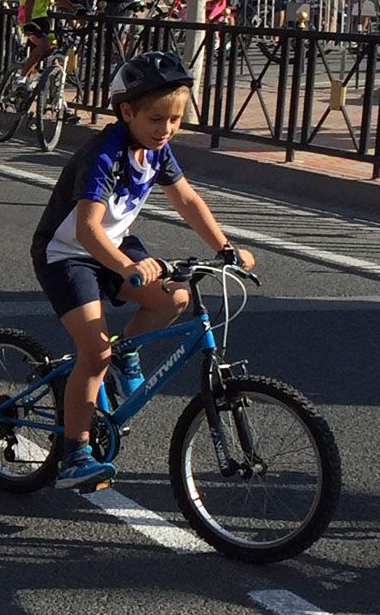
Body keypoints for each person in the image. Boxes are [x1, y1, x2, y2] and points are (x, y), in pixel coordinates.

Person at [30, 51, 252, 493]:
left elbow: (186, 200)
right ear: (127, 112)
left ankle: (126, 349)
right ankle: (75, 453)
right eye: (156, 119)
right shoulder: (104, 155)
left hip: (113, 246)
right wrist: (128, 266)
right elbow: (87, 229)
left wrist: (225, 248)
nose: (166, 129)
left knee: (175, 297)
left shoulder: (157, 150)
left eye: (175, 119)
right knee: (94, 353)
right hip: (68, 252)